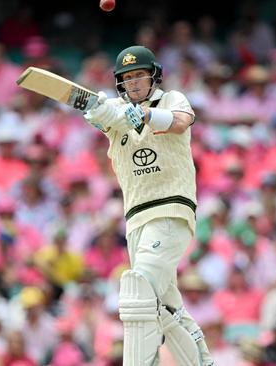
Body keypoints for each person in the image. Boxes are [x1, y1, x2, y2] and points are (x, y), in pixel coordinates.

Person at [83, 45, 214, 365]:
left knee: (138, 291)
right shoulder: (116, 112)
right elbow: (102, 115)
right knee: (165, 306)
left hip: (170, 208)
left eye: (140, 75)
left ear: (153, 76)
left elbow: (182, 121)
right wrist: (98, 112)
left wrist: (146, 114)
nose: (135, 83)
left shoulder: (171, 99)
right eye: (128, 78)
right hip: (136, 218)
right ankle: (201, 362)